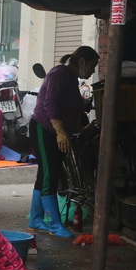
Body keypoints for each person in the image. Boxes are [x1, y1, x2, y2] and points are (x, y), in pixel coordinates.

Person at [28, 45, 99, 238]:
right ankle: (53, 223)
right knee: (51, 174)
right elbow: (50, 103)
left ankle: (35, 218)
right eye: (93, 65)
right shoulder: (59, 74)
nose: (93, 70)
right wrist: (60, 132)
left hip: (54, 131)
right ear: (82, 61)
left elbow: (70, 110)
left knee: (45, 173)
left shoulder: (71, 78)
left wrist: (83, 129)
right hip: (44, 129)